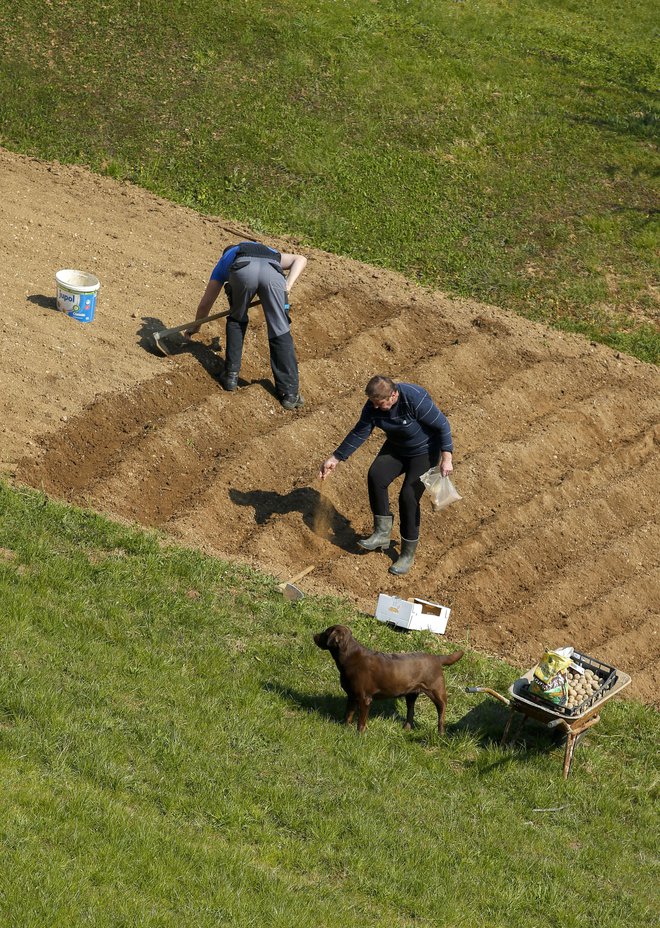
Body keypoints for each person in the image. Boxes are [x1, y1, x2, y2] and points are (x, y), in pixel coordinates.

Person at [319, 375, 453, 576]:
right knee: (376, 475)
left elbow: (442, 425)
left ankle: (407, 553)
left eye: (379, 403)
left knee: (408, 497)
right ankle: (381, 533)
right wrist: (335, 458)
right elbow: (360, 432)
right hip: (397, 447)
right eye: (372, 402)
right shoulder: (372, 406)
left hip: (424, 451)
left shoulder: (413, 398)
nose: (374, 407)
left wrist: (446, 459)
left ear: (393, 395)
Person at [188, 241, 307, 410]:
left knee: (237, 319)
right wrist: (287, 285)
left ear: (227, 253)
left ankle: (231, 377)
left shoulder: (225, 261)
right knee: (280, 328)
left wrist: (195, 328)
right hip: (272, 272)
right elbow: (301, 259)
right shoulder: (270, 252)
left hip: (242, 271)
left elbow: (204, 305)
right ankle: (290, 393)